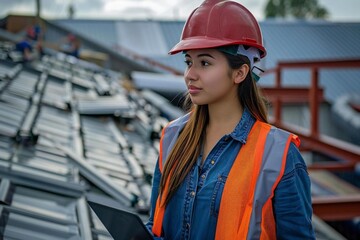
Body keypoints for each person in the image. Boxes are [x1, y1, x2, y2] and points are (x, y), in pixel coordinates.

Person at [146, 0, 315, 239]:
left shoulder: (278, 155)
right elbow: (156, 225)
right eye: (188, 62)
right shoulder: (172, 137)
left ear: (240, 72)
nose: (190, 75)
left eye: (204, 63)